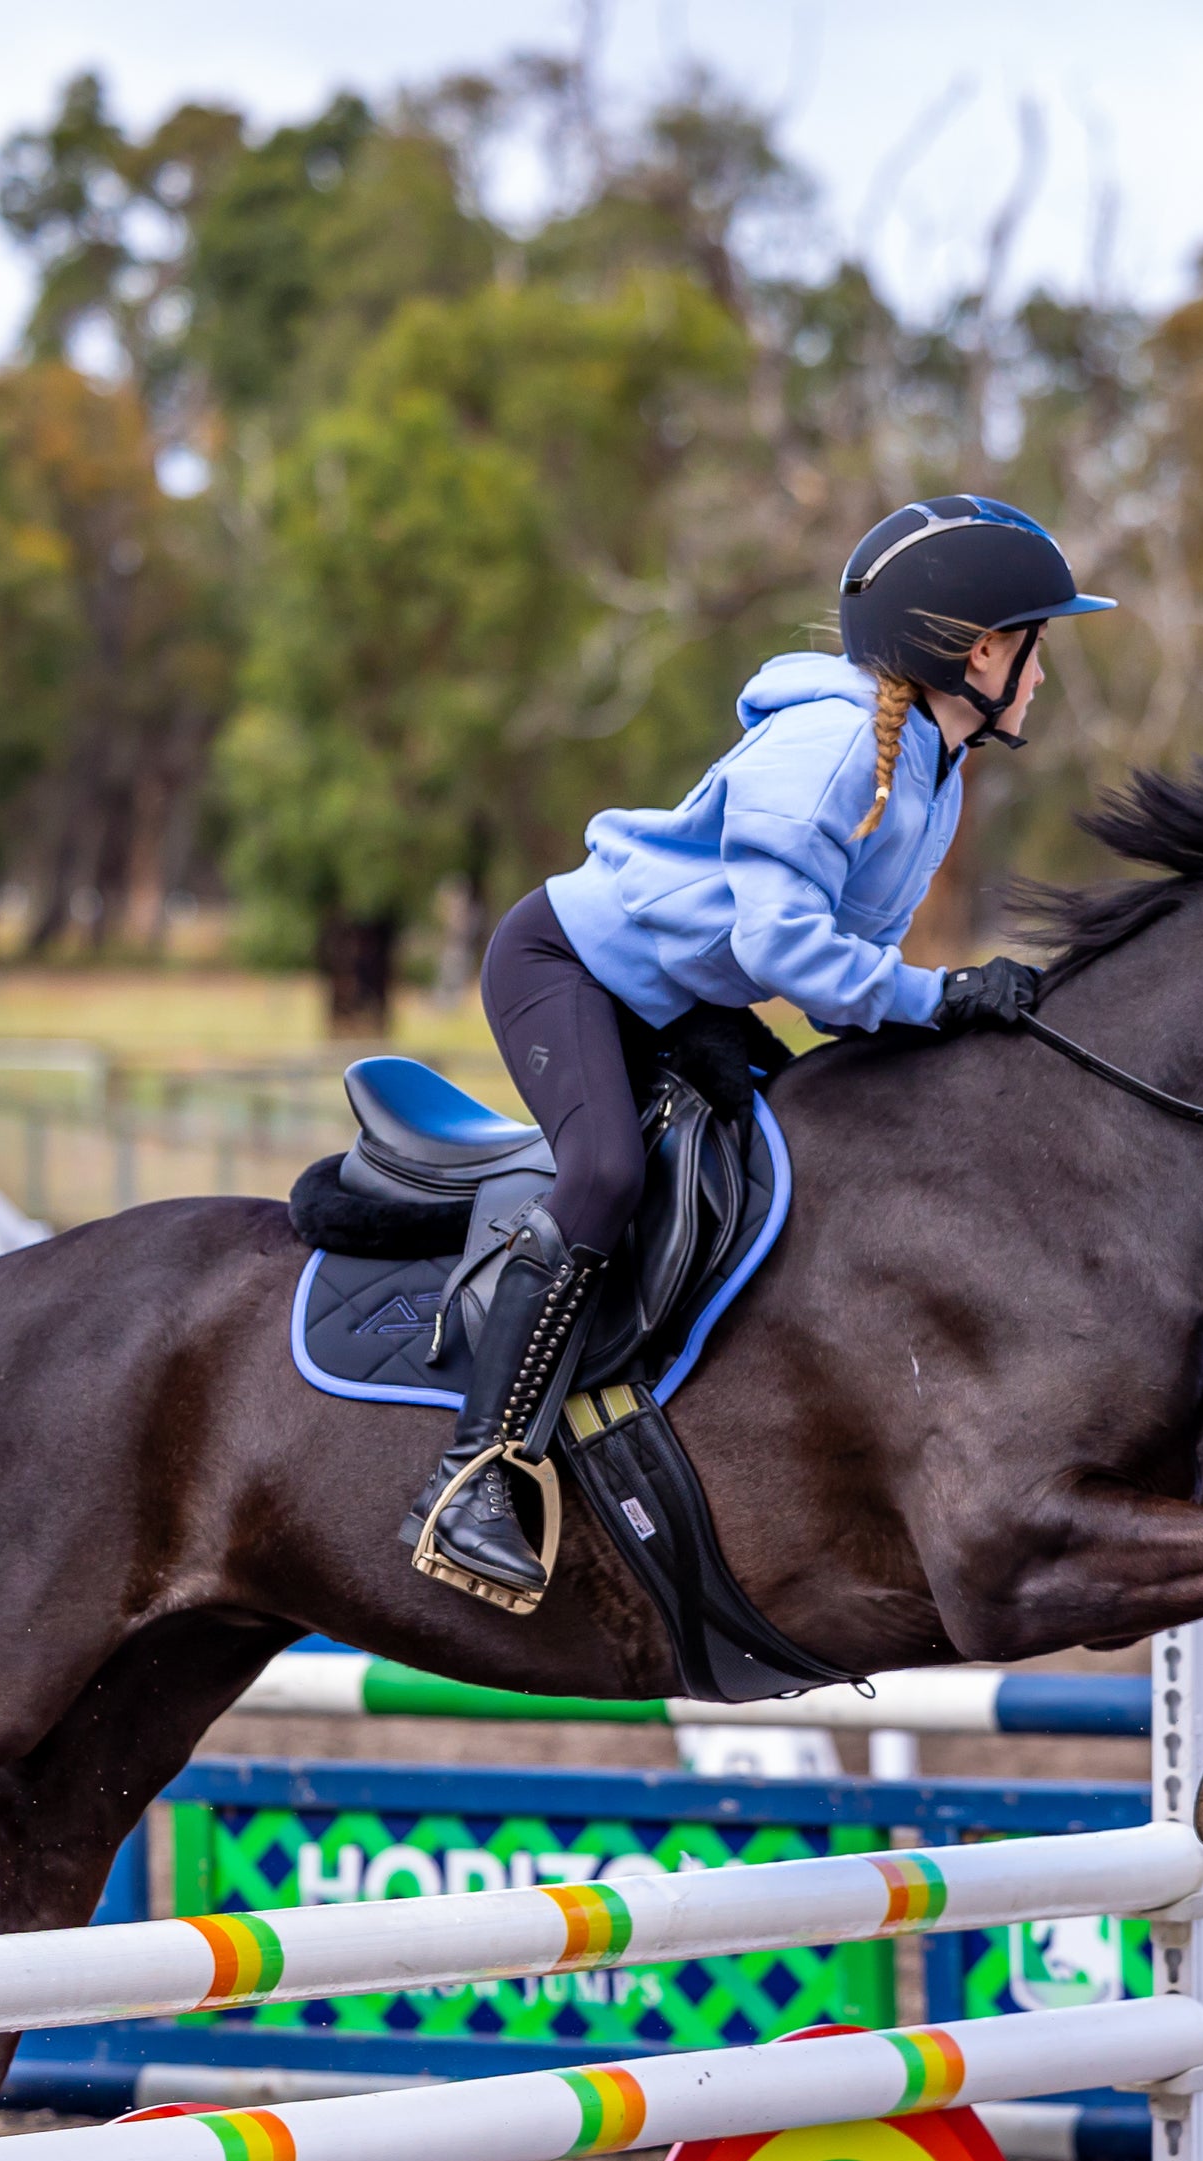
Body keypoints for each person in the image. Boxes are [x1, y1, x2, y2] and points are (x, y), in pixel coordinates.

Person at [403, 495, 1116, 1609]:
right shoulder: (834, 745)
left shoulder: (935, 769)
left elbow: (852, 977)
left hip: (685, 996)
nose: (1039, 676)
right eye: (1033, 646)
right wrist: (943, 996)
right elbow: (781, 943)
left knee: (805, 1142)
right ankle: (479, 1469)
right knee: (605, 1174)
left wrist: (952, 1035)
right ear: (976, 651)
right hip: (569, 967)